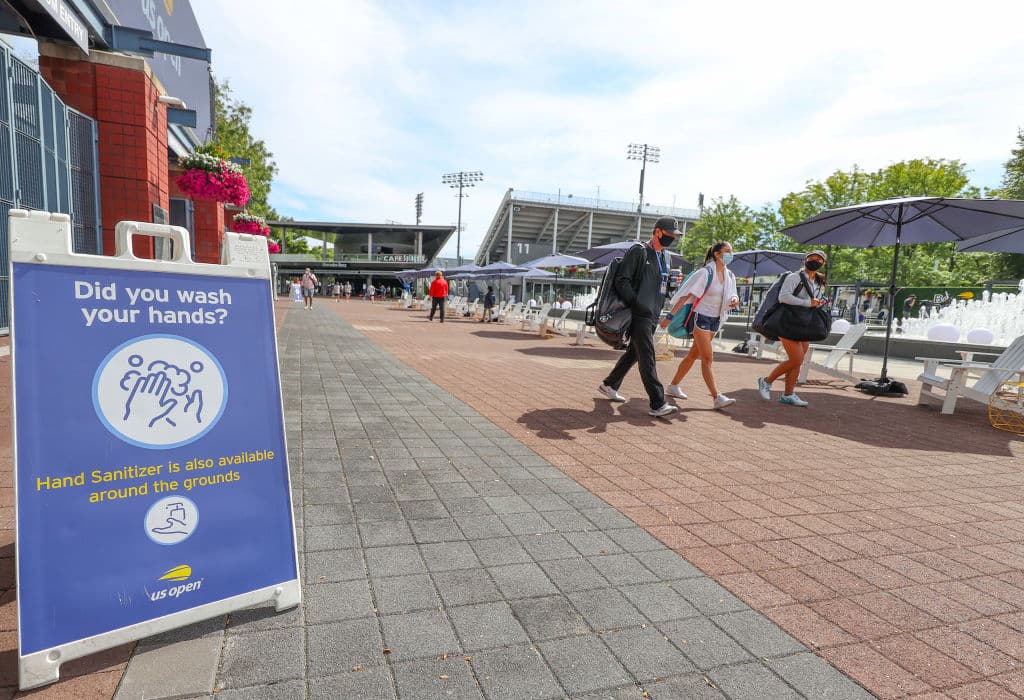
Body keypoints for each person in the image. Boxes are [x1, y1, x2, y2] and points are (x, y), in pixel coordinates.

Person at [597, 216, 683, 417]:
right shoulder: (639, 251)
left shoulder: (665, 257)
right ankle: (657, 403)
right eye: (670, 235)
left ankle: (609, 384)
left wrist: (672, 284)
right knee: (647, 356)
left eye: (675, 236)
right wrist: (636, 303)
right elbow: (622, 280)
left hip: (653, 313)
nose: (672, 239)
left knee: (634, 353)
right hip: (638, 314)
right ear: (658, 232)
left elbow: (661, 287)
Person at [661, 241, 740, 409]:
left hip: (716, 319)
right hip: (701, 318)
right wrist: (669, 316)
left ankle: (673, 385)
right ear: (717, 254)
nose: (730, 254)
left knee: (692, 355)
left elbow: (733, 294)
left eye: (731, 251)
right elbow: (685, 296)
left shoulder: (729, 275)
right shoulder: (705, 273)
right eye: (727, 251)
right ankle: (716, 397)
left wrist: (734, 300)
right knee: (707, 358)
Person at [757, 250, 829, 407]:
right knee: (797, 358)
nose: (815, 261)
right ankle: (766, 381)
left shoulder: (818, 281)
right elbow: (784, 297)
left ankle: (788, 394)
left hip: (804, 322)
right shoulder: (795, 277)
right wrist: (807, 303)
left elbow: (811, 300)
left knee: (797, 362)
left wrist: (818, 302)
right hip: (787, 321)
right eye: (812, 258)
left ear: (823, 264)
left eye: (819, 259)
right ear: (805, 260)